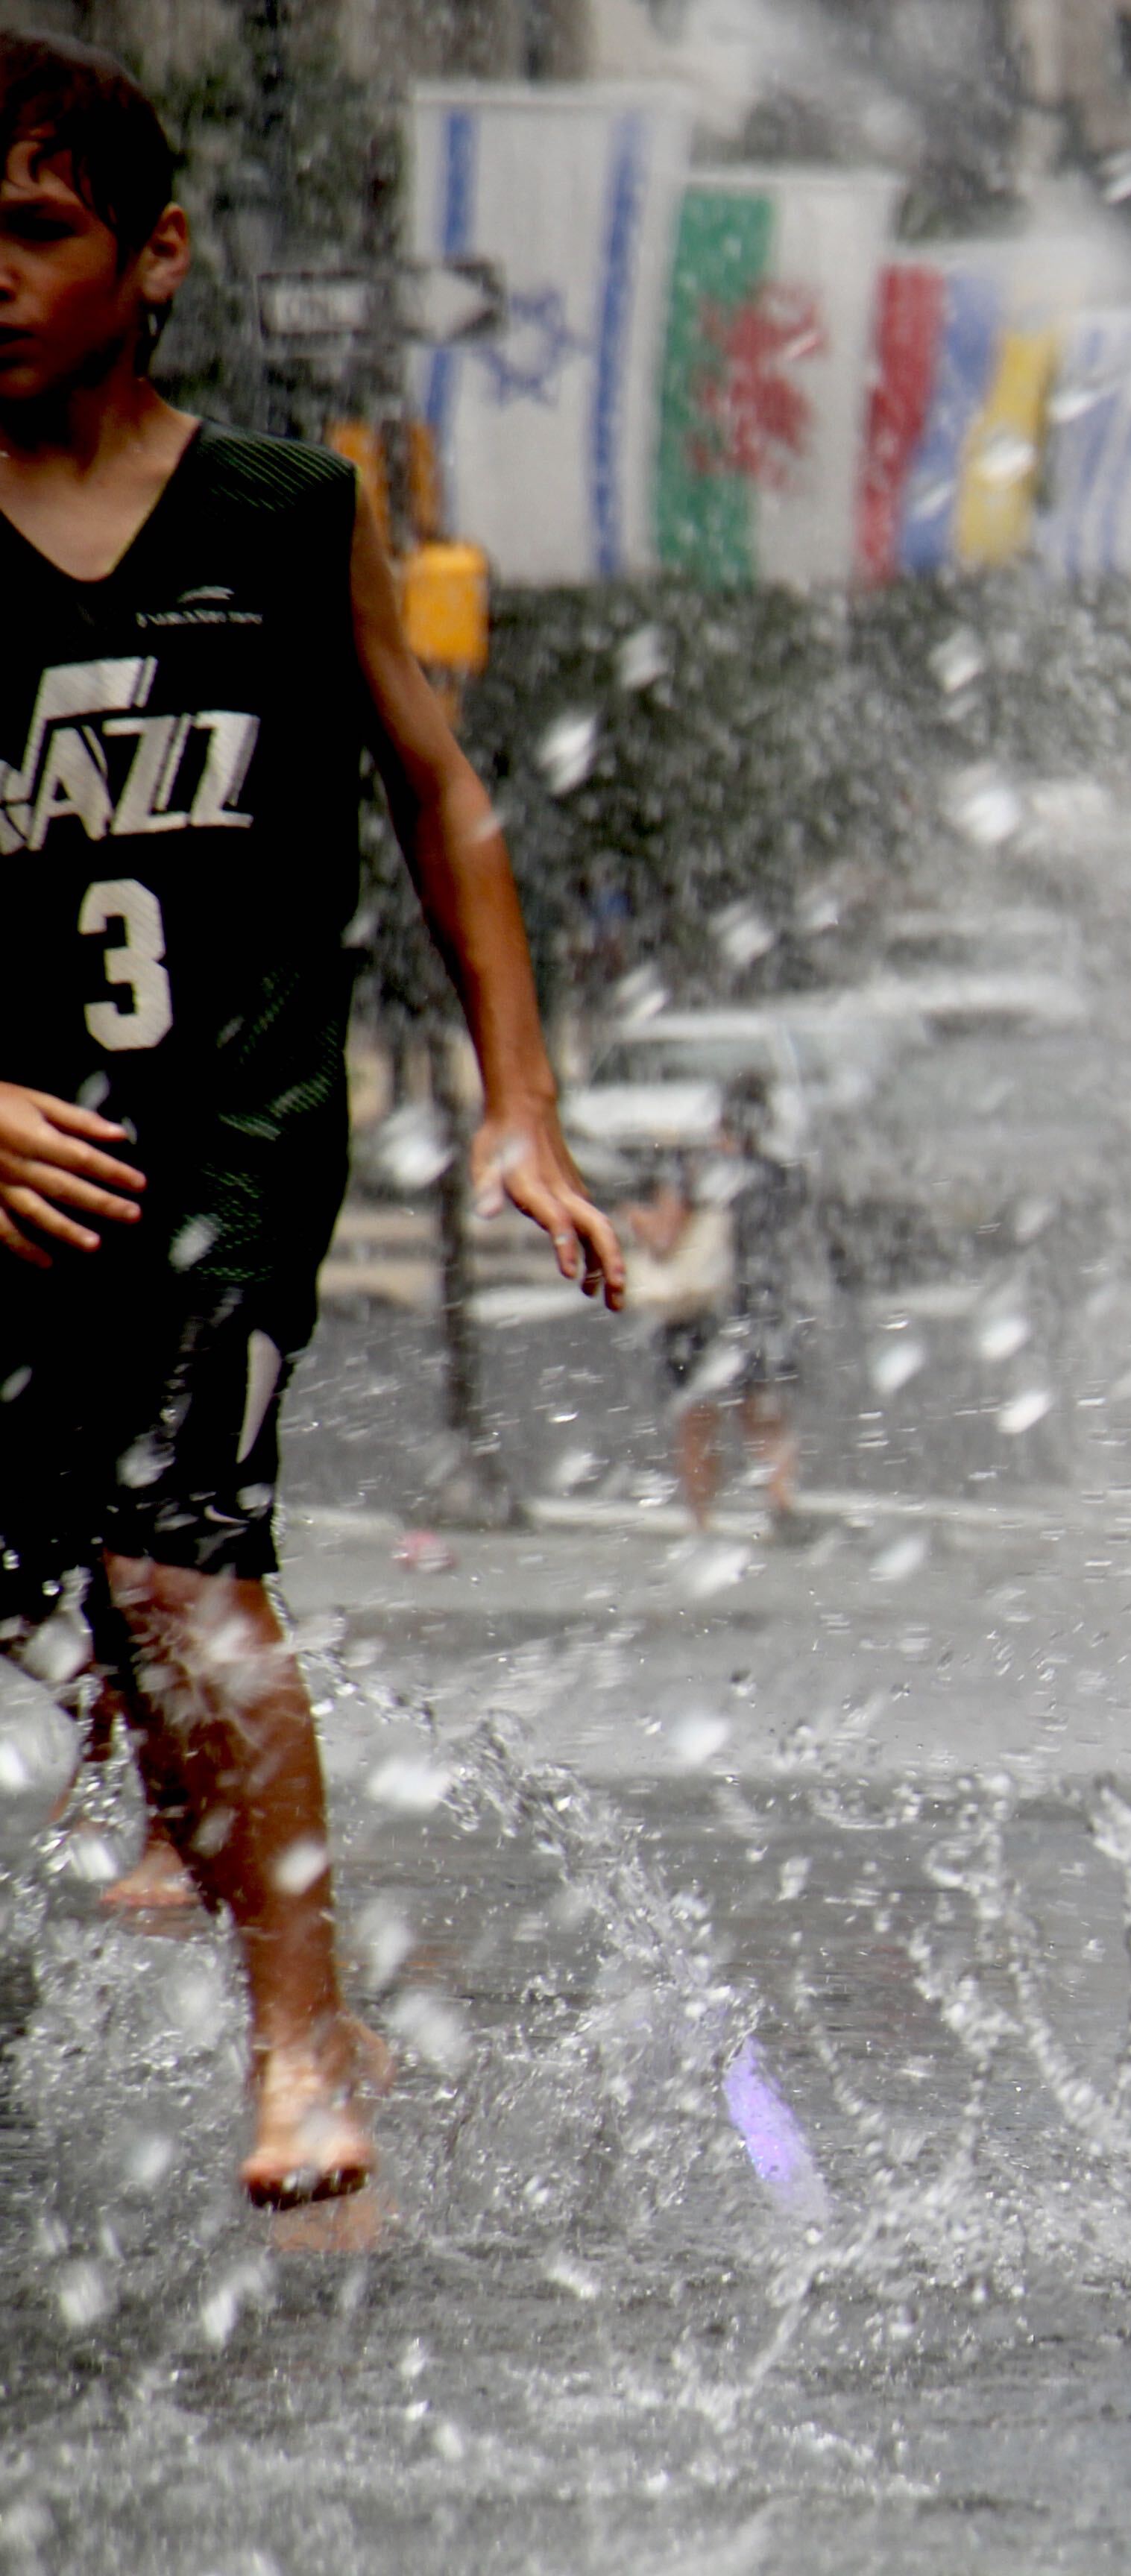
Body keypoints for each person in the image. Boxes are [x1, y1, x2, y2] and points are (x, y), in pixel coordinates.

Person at [0, 36, 623, 2209]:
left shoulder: (289, 514)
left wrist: (522, 1117)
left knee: (180, 1566)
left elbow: (445, 800)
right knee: (75, 1601)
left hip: (223, 1152)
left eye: (36, 230)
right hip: (1, 1168)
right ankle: (171, 1863)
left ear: (155, 254)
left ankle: (299, 2038)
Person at [624, 1076, 804, 1534]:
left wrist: (633, 1214)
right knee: (763, 1410)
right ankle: (781, 1501)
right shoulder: (777, 1174)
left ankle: (702, 1521)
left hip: (701, 1309)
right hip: (759, 1305)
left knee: (698, 1416)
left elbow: (665, 1239)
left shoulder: (695, 1171)